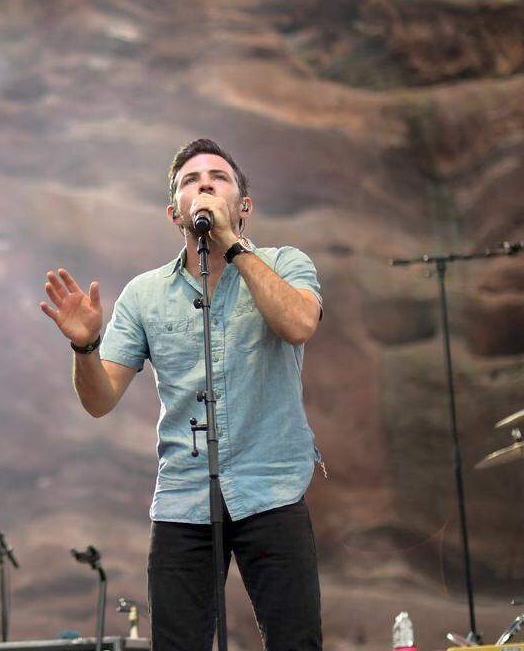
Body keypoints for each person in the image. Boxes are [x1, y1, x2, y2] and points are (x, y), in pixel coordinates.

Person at [40, 139, 324, 650]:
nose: (206, 184)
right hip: (183, 499)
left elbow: (300, 323)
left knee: (295, 644)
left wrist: (232, 247)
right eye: (192, 181)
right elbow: (99, 400)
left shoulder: (285, 264)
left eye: (218, 177)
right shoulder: (143, 294)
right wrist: (85, 346)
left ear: (244, 206)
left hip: (273, 487)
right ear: (175, 213)